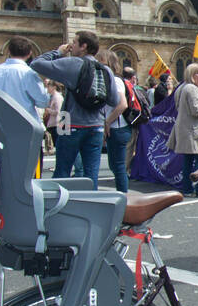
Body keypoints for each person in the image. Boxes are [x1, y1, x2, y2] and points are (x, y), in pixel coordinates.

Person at [30, 31, 123, 189]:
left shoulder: (73, 63)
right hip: (96, 126)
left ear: (84, 46)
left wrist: (58, 52)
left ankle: (58, 207)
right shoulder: (105, 70)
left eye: (74, 42)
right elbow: (114, 100)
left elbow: (36, 64)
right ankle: (89, 206)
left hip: (70, 123)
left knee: (62, 171)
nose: (71, 46)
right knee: (91, 174)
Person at [167, 63, 198, 197]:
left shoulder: (181, 88)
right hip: (194, 131)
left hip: (185, 130)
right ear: (192, 75)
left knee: (188, 161)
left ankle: (187, 189)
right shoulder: (192, 89)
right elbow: (196, 111)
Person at [97, 50, 132, 193]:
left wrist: (107, 121)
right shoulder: (110, 79)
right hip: (115, 128)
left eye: (101, 62)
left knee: (118, 166)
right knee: (115, 166)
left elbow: (122, 104)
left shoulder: (115, 80)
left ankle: (124, 198)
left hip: (118, 128)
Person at [0, 36, 48, 117]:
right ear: (29, 54)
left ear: (10, 52)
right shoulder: (29, 73)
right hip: (24, 122)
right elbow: (43, 102)